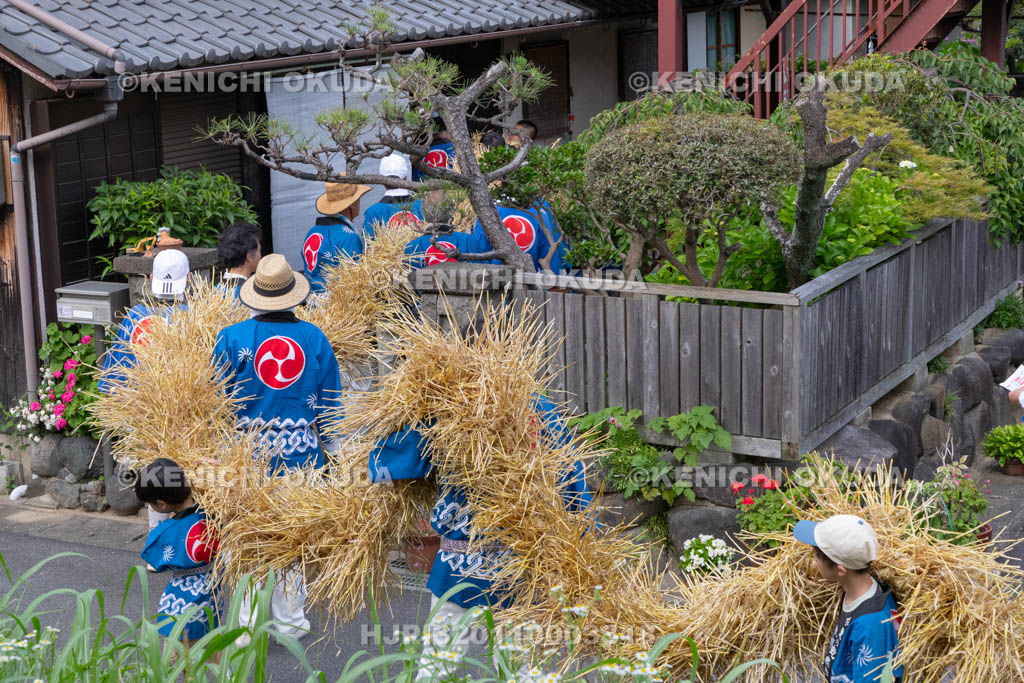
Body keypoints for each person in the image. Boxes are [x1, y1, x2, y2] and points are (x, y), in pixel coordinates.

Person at [369, 382, 592, 676]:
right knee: (519, 670)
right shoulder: (540, 408)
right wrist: (583, 541)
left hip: (474, 563)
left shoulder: (447, 407)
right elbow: (571, 482)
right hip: (516, 562)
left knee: (438, 666)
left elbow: (397, 460)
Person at [213, 253, 342, 641]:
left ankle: (245, 624)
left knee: (247, 537)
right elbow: (331, 405)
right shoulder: (314, 338)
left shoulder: (231, 338)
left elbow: (214, 403)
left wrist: (218, 449)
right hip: (301, 457)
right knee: (292, 538)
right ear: (293, 295)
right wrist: (334, 453)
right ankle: (290, 621)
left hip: (244, 456)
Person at [99, 248, 190, 561]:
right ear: (189, 279)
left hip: (142, 414)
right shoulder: (193, 317)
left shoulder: (135, 317)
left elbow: (113, 374)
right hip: (184, 414)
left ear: (150, 278)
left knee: (154, 478)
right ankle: (187, 547)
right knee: (186, 481)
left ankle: (158, 549)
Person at [793, 515, 903, 683]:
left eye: (816, 554)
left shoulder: (870, 625)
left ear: (841, 570)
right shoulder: (858, 589)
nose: (813, 559)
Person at [136, 458, 219, 649]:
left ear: (161, 504)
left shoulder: (167, 532)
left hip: (182, 601)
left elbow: (155, 559)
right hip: (212, 592)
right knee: (212, 644)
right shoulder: (214, 511)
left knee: (175, 650)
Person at [302, 181, 371, 294]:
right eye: (358, 199)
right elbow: (353, 282)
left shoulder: (312, 231)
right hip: (335, 301)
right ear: (352, 204)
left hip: (311, 299)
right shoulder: (348, 237)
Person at [471, 203, 566, 273]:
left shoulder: (488, 212)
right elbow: (548, 257)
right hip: (529, 279)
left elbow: (480, 251)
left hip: (494, 279)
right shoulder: (539, 212)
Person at [362, 154, 424, 239]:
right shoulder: (423, 206)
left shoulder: (373, 212)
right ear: (405, 178)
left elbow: (367, 242)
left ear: (381, 180)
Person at [217, 222, 263, 297]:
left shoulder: (212, 292)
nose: (260, 256)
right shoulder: (252, 296)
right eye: (259, 250)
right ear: (249, 257)